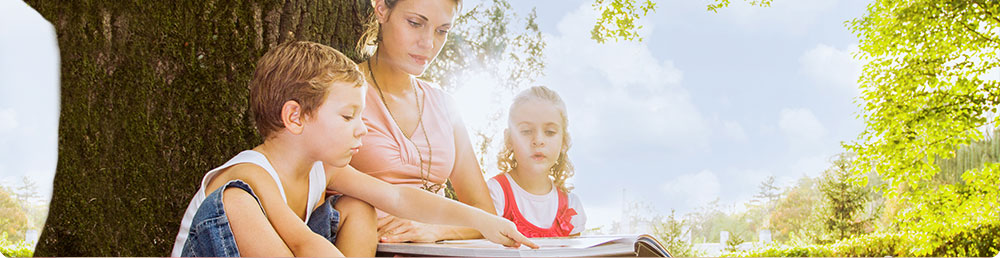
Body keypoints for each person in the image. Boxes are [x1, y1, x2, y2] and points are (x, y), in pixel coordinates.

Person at [171, 41, 536, 257]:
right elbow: (303, 245)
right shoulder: (249, 176)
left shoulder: (322, 169)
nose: (362, 128)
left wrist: (482, 220)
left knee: (358, 206)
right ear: (295, 117)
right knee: (236, 202)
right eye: (348, 116)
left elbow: (398, 198)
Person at [347, 0, 498, 243]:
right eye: (415, 23)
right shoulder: (338, 90)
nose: (428, 44)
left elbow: (486, 216)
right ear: (382, 10)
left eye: (442, 31)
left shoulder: (446, 106)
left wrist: (436, 231)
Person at [487, 86, 586, 237]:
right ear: (509, 139)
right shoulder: (495, 193)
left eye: (550, 132)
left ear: (564, 141)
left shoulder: (571, 205)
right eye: (526, 131)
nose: (538, 141)